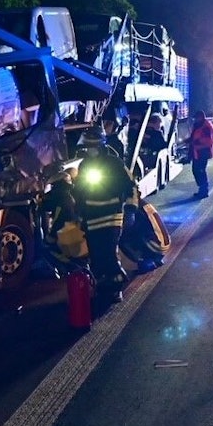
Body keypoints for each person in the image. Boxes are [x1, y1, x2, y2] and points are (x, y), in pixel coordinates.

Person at [73, 127, 139, 304]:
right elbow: (79, 192)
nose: (89, 150)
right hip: (92, 219)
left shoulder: (115, 163)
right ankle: (102, 287)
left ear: (100, 145)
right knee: (96, 256)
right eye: (87, 147)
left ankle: (116, 288)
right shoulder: (84, 165)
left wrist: (131, 210)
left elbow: (131, 186)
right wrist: (79, 215)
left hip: (112, 217)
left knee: (109, 254)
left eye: (92, 147)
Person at [189, 109, 213, 198]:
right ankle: (202, 189)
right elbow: (194, 136)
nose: (195, 120)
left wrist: (196, 142)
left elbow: (209, 141)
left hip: (203, 152)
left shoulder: (206, 127)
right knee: (196, 170)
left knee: (200, 171)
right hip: (197, 152)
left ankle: (204, 191)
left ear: (200, 117)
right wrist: (190, 141)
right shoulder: (198, 125)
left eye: (196, 118)